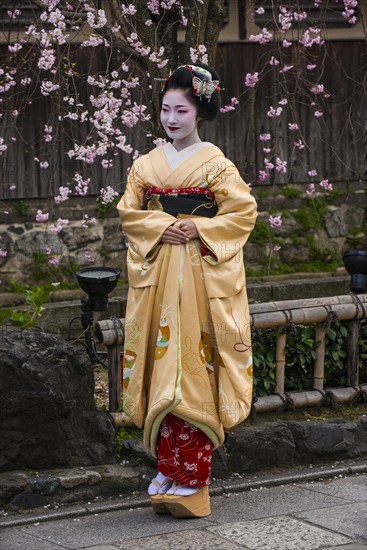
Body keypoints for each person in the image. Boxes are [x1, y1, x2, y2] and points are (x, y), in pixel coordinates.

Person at [117, 63, 257, 518]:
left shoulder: (216, 164)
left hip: (198, 275)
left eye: (182, 109)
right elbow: (129, 213)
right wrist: (161, 225)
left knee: (193, 367)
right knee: (161, 368)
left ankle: (193, 480)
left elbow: (242, 213)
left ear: (199, 113)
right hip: (160, 275)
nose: (172, 118)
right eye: (165, 109)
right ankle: (168, 470)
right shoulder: (146, 165)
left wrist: (195, 226)